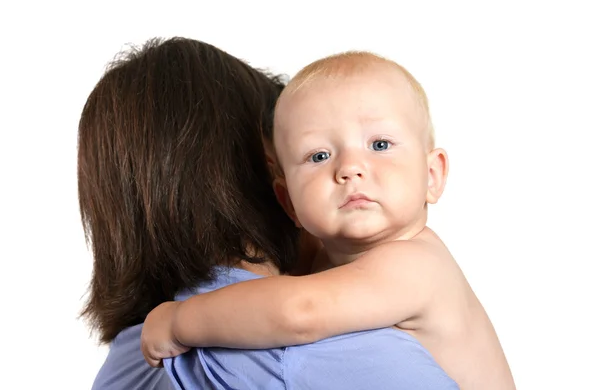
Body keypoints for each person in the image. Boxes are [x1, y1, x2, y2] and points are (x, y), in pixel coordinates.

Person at [80, 38, 458, 389]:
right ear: (275, 182)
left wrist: (179, 322)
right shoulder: (307, 356)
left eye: (379, 145)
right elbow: (300, 312)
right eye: (318, 156)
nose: (349, 170)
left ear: (432, 174)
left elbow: (302, 309)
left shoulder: (128, 360)